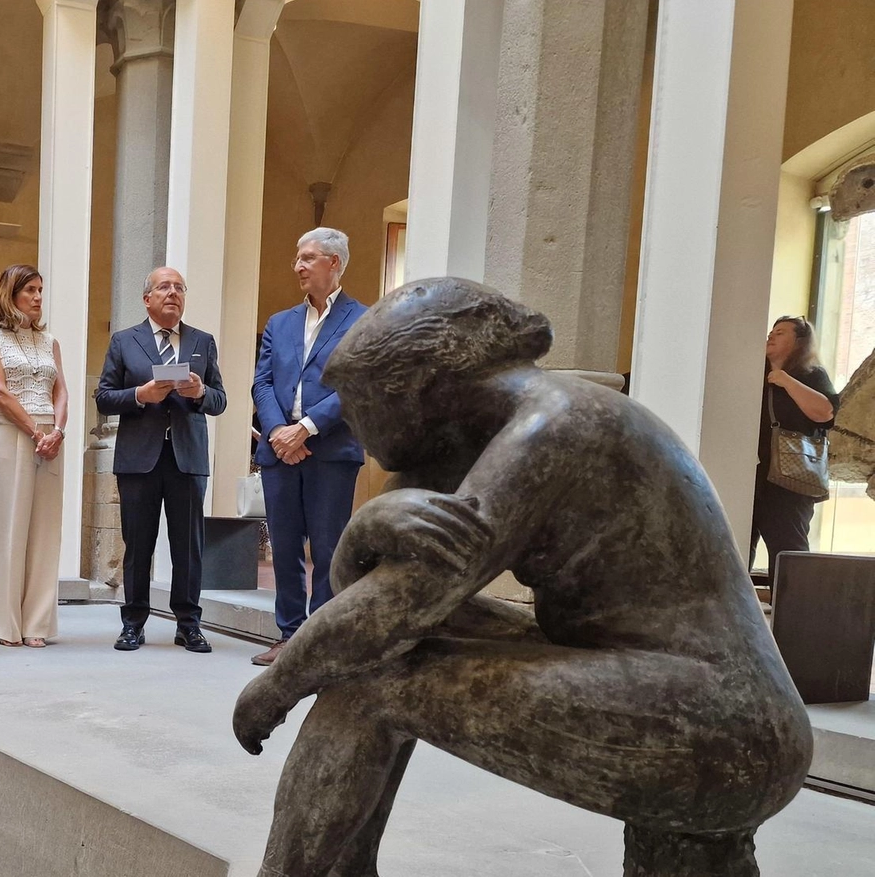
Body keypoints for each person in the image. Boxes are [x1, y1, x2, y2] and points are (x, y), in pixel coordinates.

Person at [233, 278, 810, 876]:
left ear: (412, 389)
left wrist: (275, 689)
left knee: (369, 685)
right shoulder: (463, 441)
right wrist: (366, 529)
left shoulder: (557, 423)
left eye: (355, 401)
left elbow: (393, 609)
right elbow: (371, 601)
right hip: (666, 681)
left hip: (722, 721)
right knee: (377, 653)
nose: (347, 420)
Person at [249, 228, 368, 666]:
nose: (297, 266)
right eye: (297, 258)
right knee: (283, 545)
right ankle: (289, 635)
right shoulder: (279, 323)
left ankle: (319, 641)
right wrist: (281, 431)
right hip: (280, 452)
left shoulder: (362, 319)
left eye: (307, 258)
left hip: (332, 450)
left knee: (327, 546)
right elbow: (261, 382)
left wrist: (308, 427)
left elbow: (358, 382)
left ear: (333, 263)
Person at [94, 267, 227, 653]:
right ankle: (133, 623)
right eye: (164, 287)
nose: (173, 293)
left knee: (189, 545)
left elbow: (220, 400)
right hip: (139, 460)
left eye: (179, 287)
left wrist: (202, 392)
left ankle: (189, 624)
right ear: (147, 298)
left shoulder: (202, 341)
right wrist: (140, 394)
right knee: (139, 544)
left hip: (187, 457)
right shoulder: (124, 341)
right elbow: (103, 397)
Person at [0, 265, 69, 648]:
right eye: (29, 289)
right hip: (11, 431)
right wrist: (35, 432)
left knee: (45, 532)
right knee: (10, 527)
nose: (37, 297)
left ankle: (37, 625)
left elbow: (62, 391)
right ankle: (9, 626)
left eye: (41, 290)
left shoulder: (50, 341)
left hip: (50, 437)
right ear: (9, 293)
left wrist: (57, 432)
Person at [751, 316, 838, 584]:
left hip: (790, 479)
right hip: (750, 473)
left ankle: (793, 616)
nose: (771, 336)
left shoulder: (811, 374)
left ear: (799, 342)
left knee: (788, 547)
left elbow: (825, 412)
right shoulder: (753, 372)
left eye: (780, 332)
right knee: (736, 543)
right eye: (770, 332)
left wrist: (785, 380)